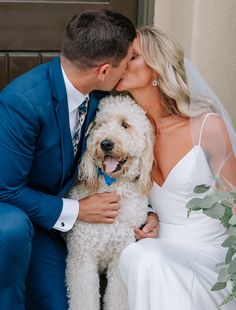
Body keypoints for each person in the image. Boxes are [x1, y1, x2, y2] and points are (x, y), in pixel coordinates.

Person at [0, 10, 159, 310]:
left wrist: (146, 212)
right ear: (103, 71)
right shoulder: (22, 102)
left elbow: (130, 159)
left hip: (58, 226)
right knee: (13, 228)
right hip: (24, 217)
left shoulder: (101, 99)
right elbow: (5, 189)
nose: (126, 72)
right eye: (126, 64)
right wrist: (78, 209)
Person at [116, 26, 236, 310]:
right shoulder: (127, 132)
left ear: (156, 68)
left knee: (148, 260)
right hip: (158, 244)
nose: (121, 64)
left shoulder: (206, 127)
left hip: (210, 253)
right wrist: (149, 213)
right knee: (140, 256)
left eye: (131, 57)